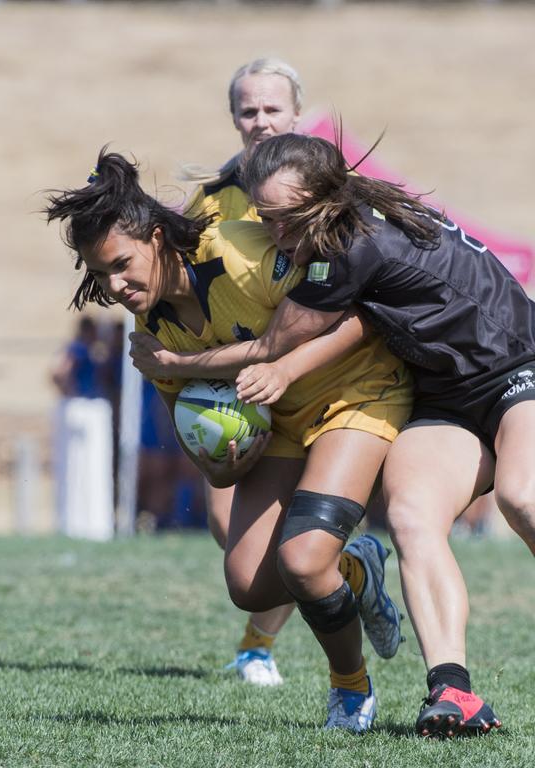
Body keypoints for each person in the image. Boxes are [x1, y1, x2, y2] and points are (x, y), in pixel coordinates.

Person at [45, 149, 411, 732]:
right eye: (100, 275)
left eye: (122, 265)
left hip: (357, 392)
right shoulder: (152, 332)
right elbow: (204, 458)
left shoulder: (243, 253)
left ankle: (350, 689)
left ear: (159, 237)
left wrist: (279, 370)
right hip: (281, 422)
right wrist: (224, 459)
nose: (114, 286)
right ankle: (357, 569)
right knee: (248, 585)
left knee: (303, 559)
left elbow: (359, 315)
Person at [217, 131, 527, 736]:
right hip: (446, 400)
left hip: (520, 371)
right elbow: (357, 322)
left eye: (286, 219)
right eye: (265, 219)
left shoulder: (351, 246)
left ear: (324, 196)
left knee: (523, 497)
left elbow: (277, 342)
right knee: (411, 516)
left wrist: (171, 365)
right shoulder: (348, 223)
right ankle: (453, 694)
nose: (276, 233)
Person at [181, 56, 303, 686]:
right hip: (234, 378)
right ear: (234, 118)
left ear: (297, 113)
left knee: (291, 534)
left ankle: (257, 647)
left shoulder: (328, 187)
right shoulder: (209, 199)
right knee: (226, 524)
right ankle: (349, 570)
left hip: (315, 377)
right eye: (248, 110)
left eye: (272, 108)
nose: (260, 121)